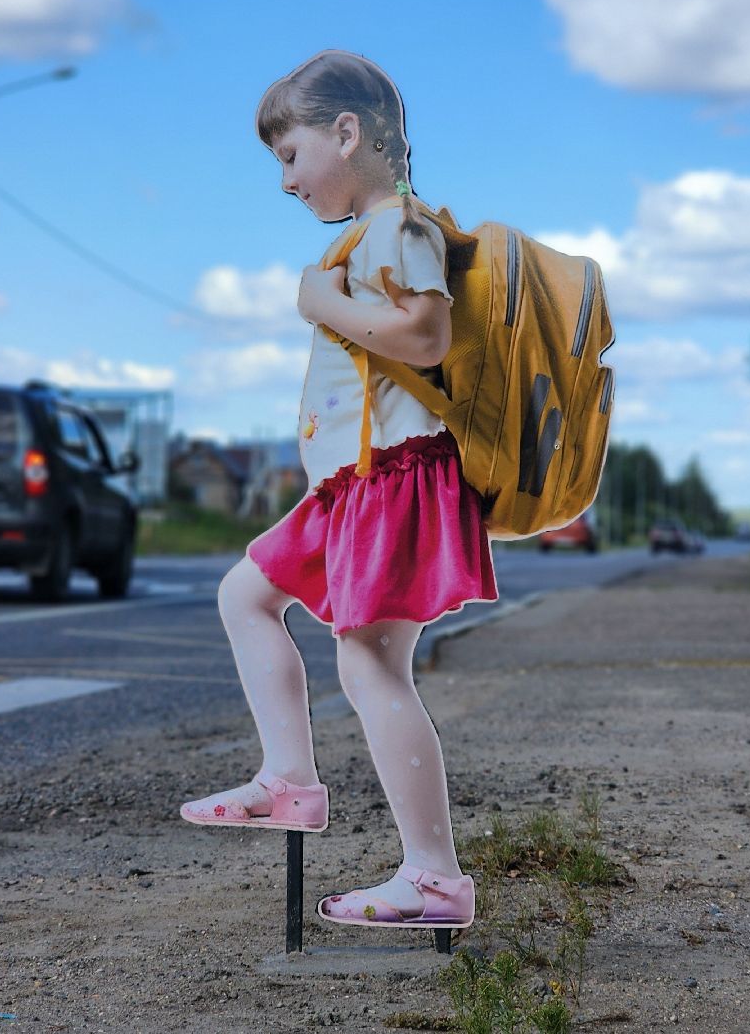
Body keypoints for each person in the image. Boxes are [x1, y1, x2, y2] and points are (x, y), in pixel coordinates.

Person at [179, 50, 496, 930]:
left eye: (290, 156)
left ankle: (434, 879)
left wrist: (321, 303)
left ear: (347, 134)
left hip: (392, 479)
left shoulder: (398, 227)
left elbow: (424, 335)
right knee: (246, 594)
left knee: (369, 663)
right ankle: (288, 781)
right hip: (357, 485)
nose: (284, 181)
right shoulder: (370, 235)